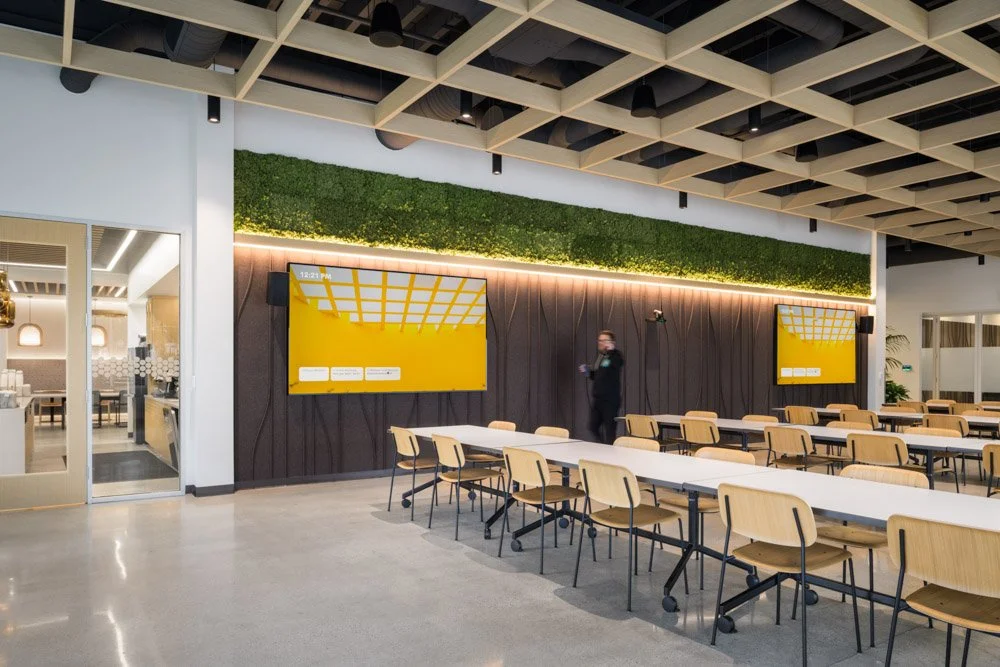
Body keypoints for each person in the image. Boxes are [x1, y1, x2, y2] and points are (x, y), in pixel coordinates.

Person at [579, 330, 624, 444]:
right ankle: (603, 448)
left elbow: (619, 362)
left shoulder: (615, 356)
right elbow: (597, 376)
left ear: (611, 342)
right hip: (598, 400)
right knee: (593, 427)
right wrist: (587, 372)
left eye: (604, 340)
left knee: (610, 431)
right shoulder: (601, 357)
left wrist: (611, 351)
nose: (601, 343)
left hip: (610, 401)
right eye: (600, 340)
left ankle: (610, 456)